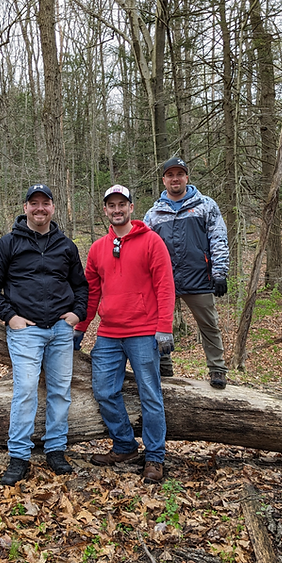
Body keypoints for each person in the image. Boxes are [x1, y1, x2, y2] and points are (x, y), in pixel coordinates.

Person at [0, 184, 88, 486]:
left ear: (53, 207)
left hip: (60, 330)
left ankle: (55, 450)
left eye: (45, 203)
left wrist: (77, 314)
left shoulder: (66, 246)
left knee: (60, 391)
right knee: (26, 390)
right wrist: (10, 316)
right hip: (26, 331)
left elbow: (81, 286)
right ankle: (19, 457)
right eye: (34, 203)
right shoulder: (9, 243)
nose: (40, 208)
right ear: (25, 207)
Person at [74, 185, 176, 485]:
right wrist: (81, 328)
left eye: (122, 204)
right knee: (104, 391)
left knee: (150, 394)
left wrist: (164, 327)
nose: (117, 209)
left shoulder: (152, 241)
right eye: (111, 205)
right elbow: (92, 293)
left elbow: (165, 286)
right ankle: (124, 446)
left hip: (144, 332)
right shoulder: (97, 248)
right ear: (105, 210)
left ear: (131, 207)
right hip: (109, 333)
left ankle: (155, 456)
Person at [143, 156, 230, 389]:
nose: (175, 179)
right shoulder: (154, 214)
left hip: (199, 276)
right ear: (164, 180)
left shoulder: (205, 205)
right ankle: (164, 364)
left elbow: (218, 238)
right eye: (170, 175)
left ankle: (217, 369)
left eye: (179, 174)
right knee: (159, 322)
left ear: (186, 178)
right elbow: (144, 249)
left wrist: (219, 272)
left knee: (209, 324)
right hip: (164, 280)